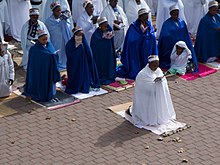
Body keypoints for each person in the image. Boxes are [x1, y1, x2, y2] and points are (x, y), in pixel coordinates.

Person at [126, 55, 176, 126]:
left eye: (157, 65)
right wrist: (156, 85)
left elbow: (163, 81)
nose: (156, 67)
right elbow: (143, 87)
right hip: (146, 97)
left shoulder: (158, 70)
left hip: (156, 95)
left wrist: (161, 82)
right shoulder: (142, 74)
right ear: (149, 64)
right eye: (154, 65)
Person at [117, 8, 158, 80]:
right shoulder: (133, 26)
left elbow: (152, 36)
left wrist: (146, 34)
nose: (146, 18)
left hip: (147, 49)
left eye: (147, 16)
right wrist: (142, 35)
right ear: (139, 17)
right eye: (144, 16)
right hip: (137, 50)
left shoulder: (149, 24)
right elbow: (131, 40)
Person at [158, 5, 198, 71]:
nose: (176, 16)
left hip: (182, 47)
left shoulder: (182, 22)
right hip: (170, 47)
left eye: (177, 14)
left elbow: (186, 35)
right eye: (174, 14)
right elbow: (164, 37)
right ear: (170, 14)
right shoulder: (166, 24)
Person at [24, 30, 61, 102]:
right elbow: (33, 63)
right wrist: (50, 56)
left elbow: (51, 52)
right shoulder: (34, 49)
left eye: (46, 39)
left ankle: (51, 94)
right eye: (43, 39)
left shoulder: (49, 45)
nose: (45, 41)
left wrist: (54, 56)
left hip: (49, 69)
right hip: (39, 71)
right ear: (39, 39)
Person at [65, 27, 100, 94]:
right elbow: (70, 56)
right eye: (78, 35)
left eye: (82, 35)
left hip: (85, 67)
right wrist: (77, 49)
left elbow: (89, 55)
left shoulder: (84, 43)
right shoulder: (70, 44)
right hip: (75, 67)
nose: (80, 37)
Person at [45, 2, 73, 70]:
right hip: (55, 40)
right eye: (57, 11)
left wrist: (65, 21)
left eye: (60, 10)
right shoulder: (49, 21)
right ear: (53, 11)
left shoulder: (62, 19)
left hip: (62, 40)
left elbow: (69, 27)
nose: (59, 12)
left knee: (63, 52)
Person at [90, 17, 116, 85]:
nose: (106, 27)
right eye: (104, 26)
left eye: (106, 25)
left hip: (108, 53)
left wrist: (110, 36)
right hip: (100, 56)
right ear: (100, 26)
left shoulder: (109, 30)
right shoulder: (96, 36)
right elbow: (94, 47)